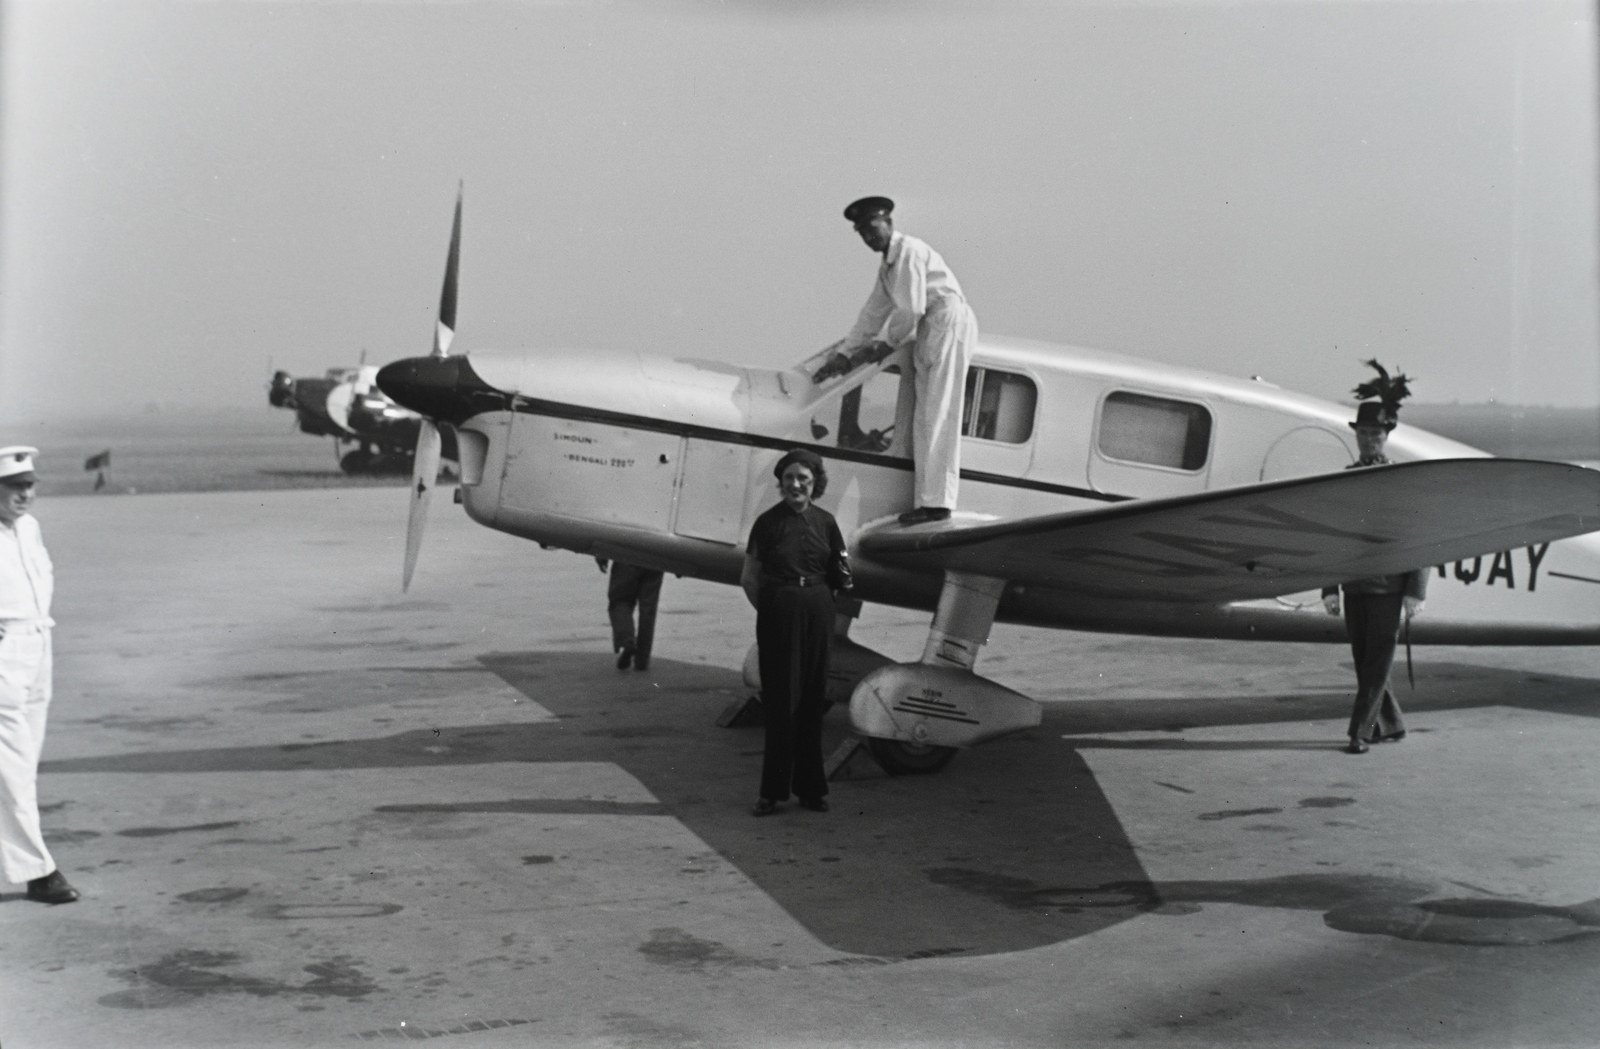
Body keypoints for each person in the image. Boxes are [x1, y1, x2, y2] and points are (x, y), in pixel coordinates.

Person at [834, 196, 978, 526]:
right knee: (924, 417)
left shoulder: (910, 253)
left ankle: (939, 503)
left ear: (888, 223)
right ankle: (929, 500)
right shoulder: (888, 267)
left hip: (946, 322)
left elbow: (910, 309)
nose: (870, 237)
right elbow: (872, 313)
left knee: (938, 413)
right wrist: (844, 352)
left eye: (873, 229)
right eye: (863, 233)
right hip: (932, 327)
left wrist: (885, 344)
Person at [1321, 363, 1427, 755]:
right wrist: (1329, 587)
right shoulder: (1345, 479)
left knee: (1376, 665)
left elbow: (1417, 540)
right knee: (1365, 661)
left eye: (1376, 434)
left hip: (1388, 590)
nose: (1369, 440)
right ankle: (1393, 724)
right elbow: (1333, 539)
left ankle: (1359, 733)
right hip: (1355, 588)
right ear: (1357, 437)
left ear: (1387, 437)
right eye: (1364, 434)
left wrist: (1415, 592)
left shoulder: (1400, 484)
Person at [740, 449, 853, 816]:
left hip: (818, 608)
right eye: (789, 478)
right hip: (779, 609)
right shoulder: (767, 524)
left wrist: (815, 610)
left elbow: (839, 576)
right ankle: (771, 793)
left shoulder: (827, 522)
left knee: (811, 700)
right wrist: (776, 611)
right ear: (781, 483)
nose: (795, 484)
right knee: (780, 703)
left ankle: (810, 790)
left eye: (803, 478)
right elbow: (750, 578)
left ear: (814, 483)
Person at [0, 447, 78, 904]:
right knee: (10, 767)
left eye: (29, 486)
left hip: (38, 645)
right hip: (4, 650)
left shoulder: (29, 528)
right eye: (13, 487)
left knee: (23, 765)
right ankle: (39, 871)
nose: (24, 495)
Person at [595, 558, 664, 671]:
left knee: (620, 602)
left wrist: (600, 557)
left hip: (627, 557)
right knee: (648, 611)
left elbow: (605, 540)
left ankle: (627, 640)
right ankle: (642, 661)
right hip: (656, 560)